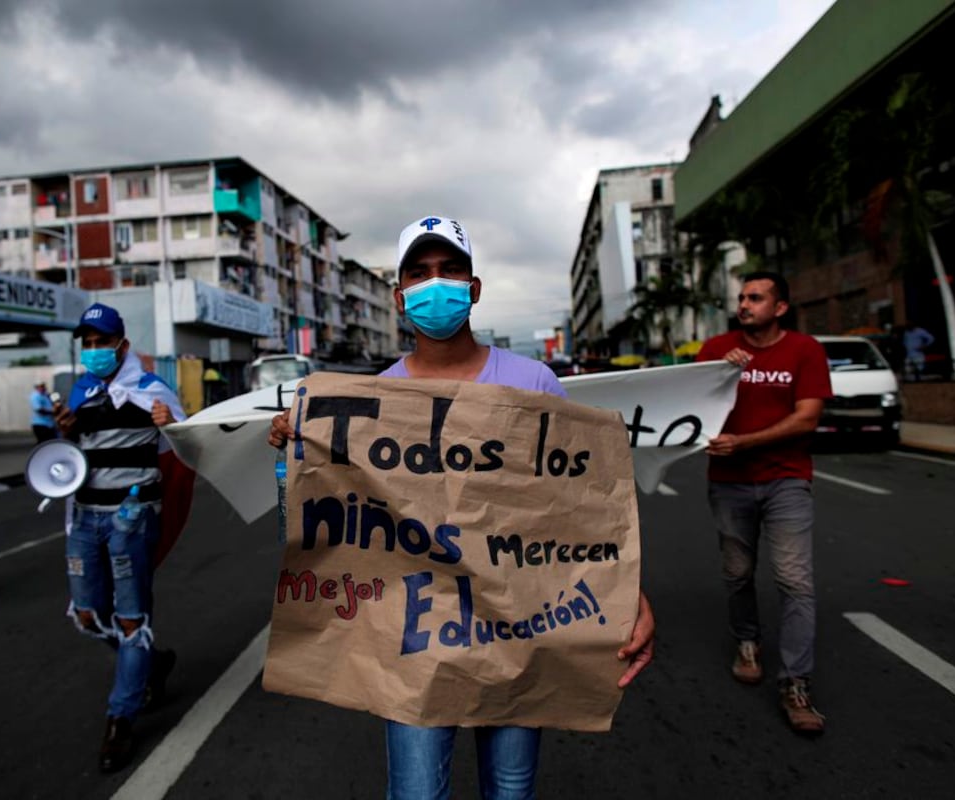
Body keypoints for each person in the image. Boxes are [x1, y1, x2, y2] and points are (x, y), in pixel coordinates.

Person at [268, 216, 656, 798]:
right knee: (417, 792)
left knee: (510, 788)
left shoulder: (534, 382)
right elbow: (335, 529)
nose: (436, 284)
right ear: (400, 297)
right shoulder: (374, 402)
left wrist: (631, 596)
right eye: (420, 274)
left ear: (474, 288)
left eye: (450, 270)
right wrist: (300, 449)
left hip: (517, 626)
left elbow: (580, 513)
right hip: (412, 640)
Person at [695, 271, 832, 736]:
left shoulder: (805, 351)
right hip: (729, 483)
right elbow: (691, 410)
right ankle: (747, 642)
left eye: (756, 298)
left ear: (779, 308)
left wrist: (746, 442)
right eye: (742, 297)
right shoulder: (716, 350)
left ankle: (796, 682)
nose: (745, 304)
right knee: (738, 571)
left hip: (786, 480)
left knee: (795, 579)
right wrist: (720, 375)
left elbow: (807, 418)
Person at [53, 302, 184, 774]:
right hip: (85, 517)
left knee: (131, 620)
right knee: (88, 615)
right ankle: (150, 662)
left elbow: (185, 444)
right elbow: (74, 453)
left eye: (101, 343)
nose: (93, 351)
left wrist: (169, 424)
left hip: (132, 517)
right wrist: (64, 429)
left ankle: (120, 718)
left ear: (121, 346)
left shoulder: (152, 390)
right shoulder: (81, 392)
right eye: (86, 344)